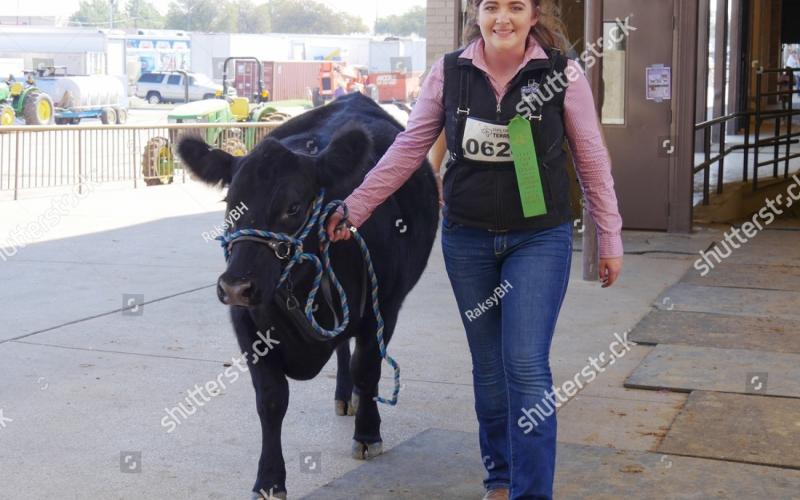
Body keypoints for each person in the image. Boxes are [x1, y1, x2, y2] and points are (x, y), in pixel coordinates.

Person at [327, 0, 623, 498]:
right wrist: (355, 208)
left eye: (515, 7)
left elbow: (591, 157)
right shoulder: (449, 73)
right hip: (467, 239)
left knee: (525, 365)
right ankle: (501, 477)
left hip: (539, 238)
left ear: (534, 16)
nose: (502, 17)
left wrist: (608, 236)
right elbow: (408, 149)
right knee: (488, 369)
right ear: (478, 16)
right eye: (491, 6)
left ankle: (532, 492)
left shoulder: (562, 74)